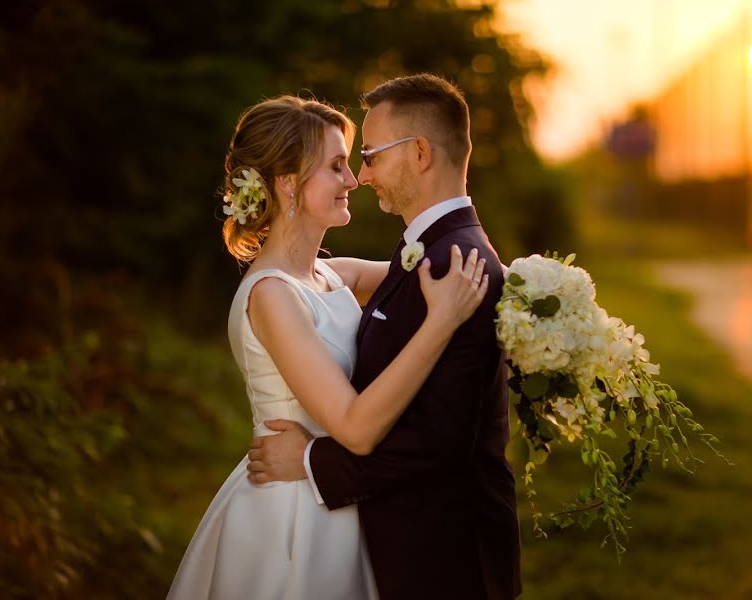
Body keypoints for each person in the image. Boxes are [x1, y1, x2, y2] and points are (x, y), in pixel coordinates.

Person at [167, 95, 489, 600]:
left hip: (340, 499)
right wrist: (441, 323)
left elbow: (451, 271)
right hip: (294, 519)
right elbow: (357, 429)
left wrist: (536, 286)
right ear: (289, 183)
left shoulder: (330, 275)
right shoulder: (272, 296)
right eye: (337, 166)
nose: (353, 179)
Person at [248, 74, 523, 599]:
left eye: (370, 156)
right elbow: (335, 276)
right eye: (348, 163)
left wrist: (309, 461)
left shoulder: (451, 265)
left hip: (445, 559)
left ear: (419, 153)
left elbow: (438, 442)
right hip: (408, 545)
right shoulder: (431, 253)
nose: (362, 175)